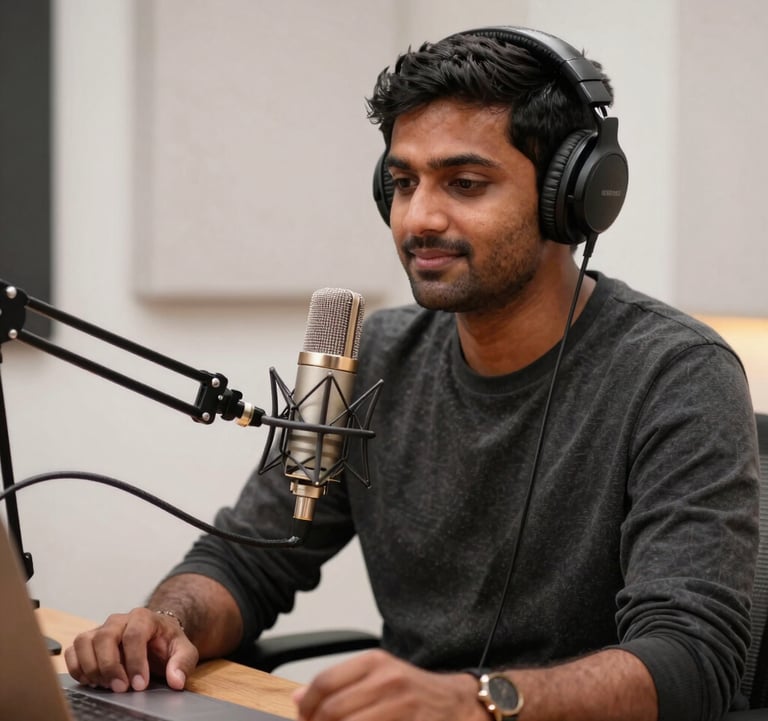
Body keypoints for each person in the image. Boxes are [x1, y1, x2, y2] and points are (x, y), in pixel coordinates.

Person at [65, 26, 759, 721]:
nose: (418, 217)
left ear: (570, 196)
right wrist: (165, 620)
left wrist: (477, 700)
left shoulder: (676, 374)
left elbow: (694, 658)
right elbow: (250, 558)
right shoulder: (371, 355)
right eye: (402, 182)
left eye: (464, 183)